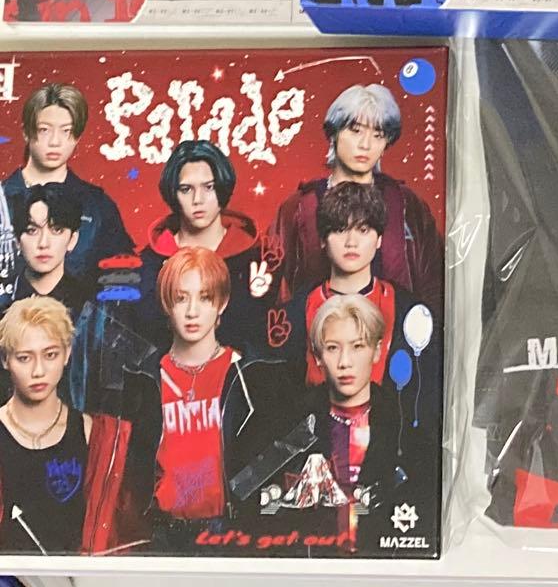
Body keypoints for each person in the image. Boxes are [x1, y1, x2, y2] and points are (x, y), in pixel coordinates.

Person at [120, 249, 285, 547]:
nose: (192, 311)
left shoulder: (246, 372)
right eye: (181, 298)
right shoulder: (146, 377)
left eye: (205, 298)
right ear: (166, 304)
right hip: (162, 532)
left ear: (222, 303)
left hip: (229, 530)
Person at [252, 294, 417, 549]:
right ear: (317, 356)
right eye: (332, 348)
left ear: (377, 350)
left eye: (357, 346)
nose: (344, 362)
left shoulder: (401, 422)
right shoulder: (294, 422)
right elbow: (254, 495)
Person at [267, 84, 443, 307]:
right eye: (356, 130)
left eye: (378, 135)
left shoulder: (405, 203)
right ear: (334, 134)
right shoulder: (301, 207)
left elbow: (434, 283)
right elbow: (277, 289)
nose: (366, 145)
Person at [0, 297, 126, 554]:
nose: (38, 371)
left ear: (67, 353)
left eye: (50, 355)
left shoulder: (96, 435)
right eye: (24, 358)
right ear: (5, 359)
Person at [137, 141, 266, 356]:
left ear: (222, 188)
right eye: (186, 189)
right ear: (173, 194)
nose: (198, 200)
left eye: (209, 187)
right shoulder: (149, 264)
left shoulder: (257, 259)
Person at [285, 183, 414, 388]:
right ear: (323, 240)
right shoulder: (297, 311)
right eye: (340, 229)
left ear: (379, 239)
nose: (351, 242)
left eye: (363, 230)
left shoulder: (407, 310)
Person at [3, 84, 132, 281]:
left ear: (77, 137)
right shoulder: (3, 198)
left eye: (66, 131)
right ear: (26, 132)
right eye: (44, 130)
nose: (55, 141)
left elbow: (123, 275)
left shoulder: (97, 205)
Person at [4, 184, 90, 321]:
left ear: (72, 239)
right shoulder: (4, 298)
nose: (43, 243)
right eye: (32, 230)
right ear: (17, 240)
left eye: (56, 230)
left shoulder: (89, 303)